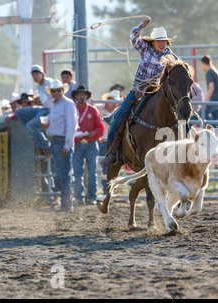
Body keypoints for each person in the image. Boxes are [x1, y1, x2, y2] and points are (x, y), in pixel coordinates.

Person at [101, 17, 179, 167]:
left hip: (158, 92)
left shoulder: (170, 55)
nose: (162, 44)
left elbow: (177, 69)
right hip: (138, 89)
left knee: (182, 120)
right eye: (159, 41)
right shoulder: (145, 48)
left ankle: (185, 150)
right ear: (153, 42)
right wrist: (141, 26)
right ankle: (113, 152)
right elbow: (134, 38)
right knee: (118, 118)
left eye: (164, 41)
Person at [44, 79, 78, 212]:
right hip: (56, 141)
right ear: (51, 92)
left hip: (62, 141)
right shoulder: (56, 105)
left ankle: (67, 203)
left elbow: (71, 126)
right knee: (61, 173)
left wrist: (67, 145)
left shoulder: (67, 104)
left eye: (58, 90)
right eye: (54, 90)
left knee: (64, 174)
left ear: (62, 90)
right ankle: (66, 202)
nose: (56, 92)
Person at [71, 85, 104, 205]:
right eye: (79, 94)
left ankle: (92, 197)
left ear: (87, 96)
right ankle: (79, 197)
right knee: (77, 171)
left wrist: (93, 133)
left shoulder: (93, 110)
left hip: (91, 142)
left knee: (92, 171)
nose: (81, 97)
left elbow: (100, 128)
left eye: (83, 94)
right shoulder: (72, 110)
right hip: (76, 144)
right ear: (75, 96)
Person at [14, 65, 54, 153]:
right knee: (19, 112)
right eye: (33, 75)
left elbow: (56, 97)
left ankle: (46, 146)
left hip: (50, 110)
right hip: (44, 108)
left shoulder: (49, 82)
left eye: (36, 74)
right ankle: (36, 132)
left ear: (42, 74)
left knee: (30, 125)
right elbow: (45, 99)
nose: (34, 77)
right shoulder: (39, 86)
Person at [98, 90, 122, 193]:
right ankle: (106, 191)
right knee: (103, 168)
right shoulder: (98, 109)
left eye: (115, 101)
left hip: (113, 142)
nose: (113, 103)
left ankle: (110, 190)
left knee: (112, 167)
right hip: (101, 141)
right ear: (107, 101)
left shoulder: (120, 111)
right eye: (111, 100)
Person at [200, 55, 218, 122]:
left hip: (214, 99)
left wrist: (205, 102)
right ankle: (217, 130)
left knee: (202, 113)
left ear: (203, 63)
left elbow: (211, 87)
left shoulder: (209, 72)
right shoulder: (214, 70)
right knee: (216, 119)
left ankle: (214, 127)